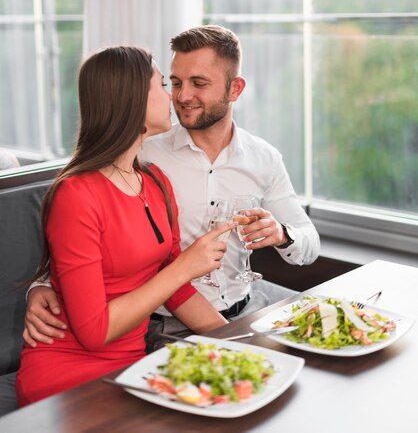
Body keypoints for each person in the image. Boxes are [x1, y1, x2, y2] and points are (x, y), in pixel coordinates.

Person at [23, 26, 320, 353]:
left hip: (244, 305)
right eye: (174, 83)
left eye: (199, 83)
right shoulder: (142, 153)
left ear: (235, 89)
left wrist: (282, 234)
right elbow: (83, 224)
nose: (181, 96)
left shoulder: (263, 158)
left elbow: (309, 244)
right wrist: (41, 286)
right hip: (164, 322)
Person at [14, 45, 232, 407]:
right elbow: (94, 332)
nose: (173, 96)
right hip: (67, 374)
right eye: (163, 85)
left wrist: (241, 343)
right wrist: (184, 267)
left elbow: (175, 290)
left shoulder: (156, 181)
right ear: (132, 101)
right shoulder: (76, 195)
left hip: (131, 366)